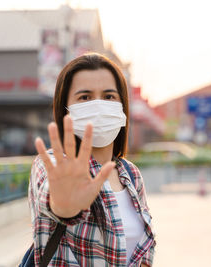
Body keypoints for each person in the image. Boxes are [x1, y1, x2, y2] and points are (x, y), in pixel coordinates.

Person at [29, 53, 156, 266]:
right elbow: (56, 203)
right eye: (85, 97)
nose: (99, 106)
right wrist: (65, 207)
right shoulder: (53, 164)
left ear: (122, 106)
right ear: (65, 110)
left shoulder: (130, 173)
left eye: (108, 97)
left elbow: (143, 252)